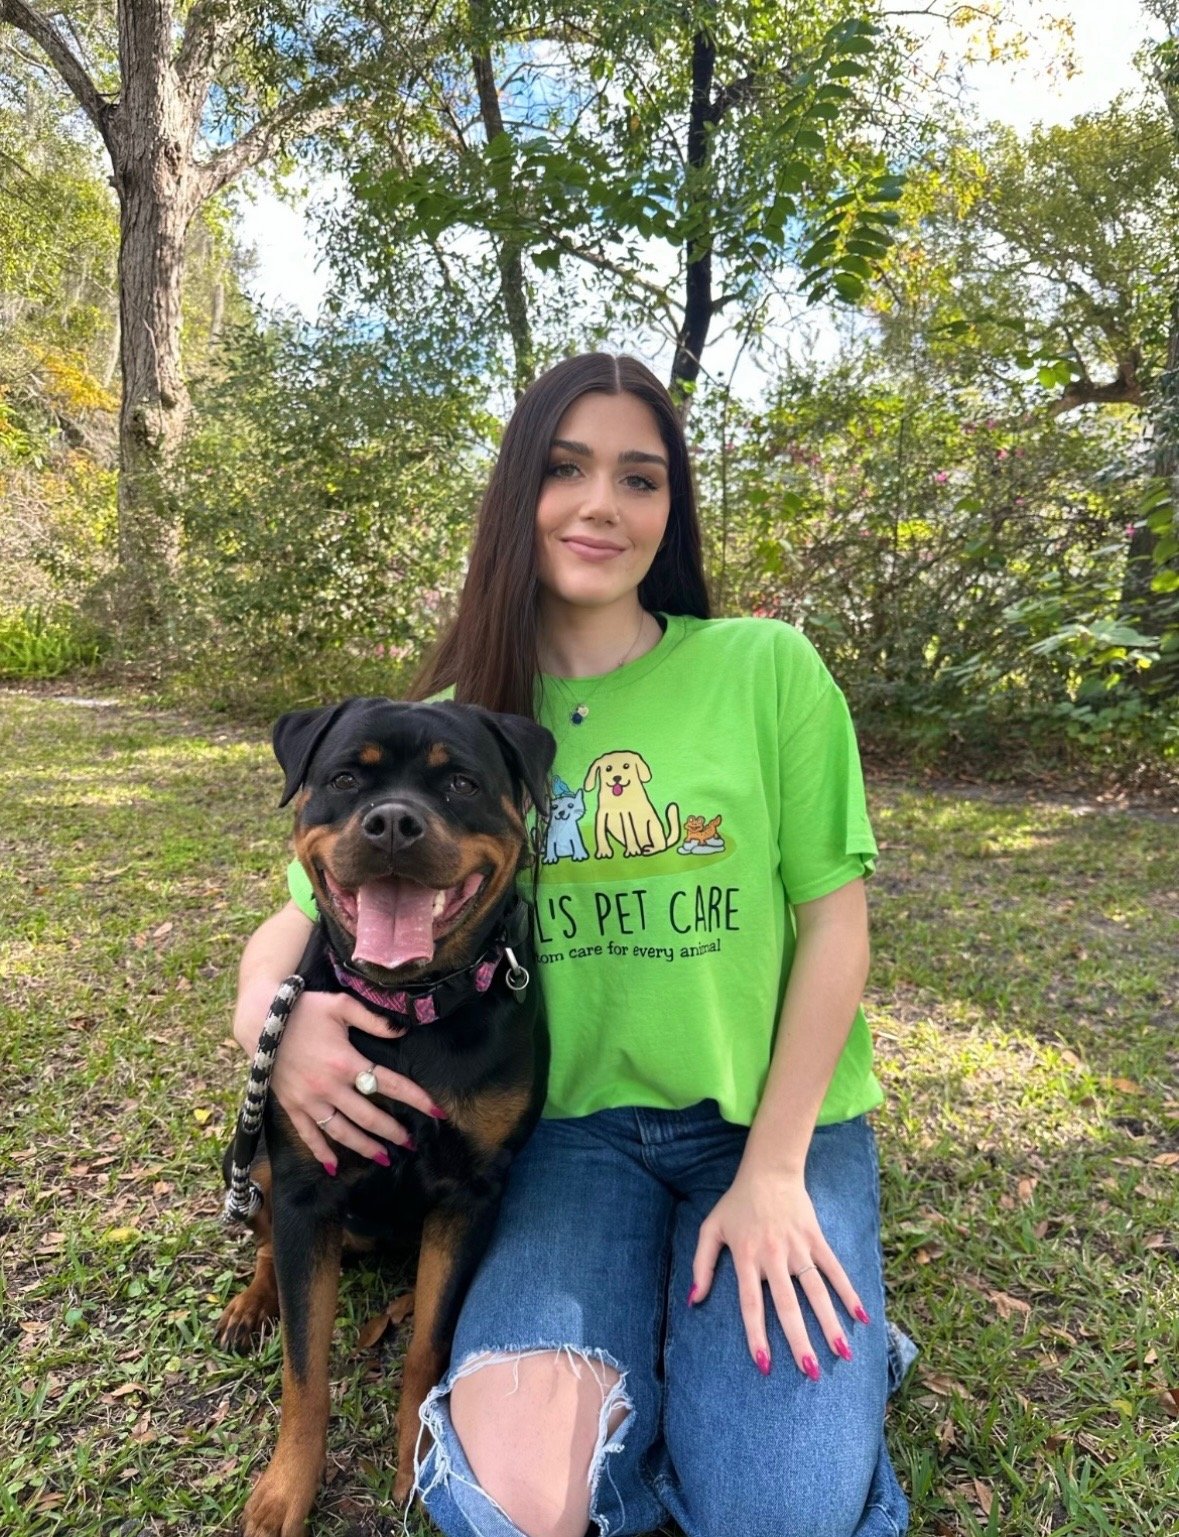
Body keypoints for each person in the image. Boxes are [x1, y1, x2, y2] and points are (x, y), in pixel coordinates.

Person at [232, 353, 914, 1537]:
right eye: (565, 468)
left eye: (640, 478)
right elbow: (288, 922)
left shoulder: (764, 668)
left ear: (670, 509)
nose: (603, 503)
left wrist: (773, 1173)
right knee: (506, 1502)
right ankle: (688, 1347)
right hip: (574, 1143)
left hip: (768, 1130)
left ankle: (820, 1362)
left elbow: (835, 934)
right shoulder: (466, 715)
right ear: (517, 493)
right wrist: (274, 1039)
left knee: (779, 1515)